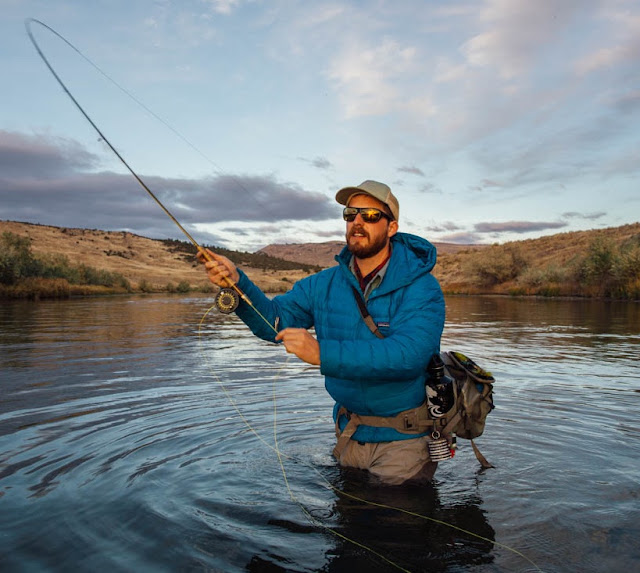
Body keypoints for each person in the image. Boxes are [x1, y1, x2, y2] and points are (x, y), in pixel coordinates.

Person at [198, 180, 445, 485]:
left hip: (405, 441)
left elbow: (410, 355)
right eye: (350, 214)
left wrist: (321, 353)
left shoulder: (422, 287)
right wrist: (237, 284)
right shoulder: (321, 284)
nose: (357, 222)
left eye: (369, 215)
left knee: (394, 529)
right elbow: (274, 322)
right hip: (348, 433)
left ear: (391, 227)